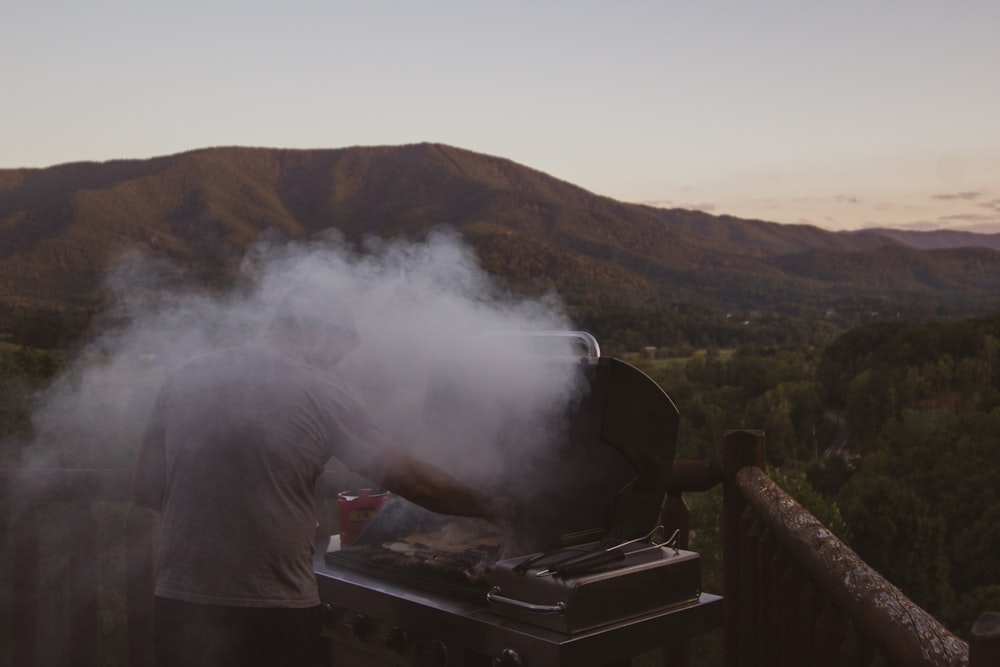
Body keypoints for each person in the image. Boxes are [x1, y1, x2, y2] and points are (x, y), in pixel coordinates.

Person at [131, 290, 514, 667]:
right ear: (322, 331)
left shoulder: (186, 375)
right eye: (336, 355)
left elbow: (146, 486)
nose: (333, 367)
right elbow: (412, 481)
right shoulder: (319, 389)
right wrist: (488, 505)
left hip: (179, 603)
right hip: (272, 609)